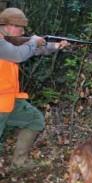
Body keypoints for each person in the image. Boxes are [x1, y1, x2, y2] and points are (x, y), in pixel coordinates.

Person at [0, 7, 70, 169]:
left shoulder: (9, 42)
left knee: (35, 120)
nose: (21, 30)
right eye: (18, 26)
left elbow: (33, 50)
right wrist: (33, 41)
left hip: (9, 101)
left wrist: (56, 46)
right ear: (5, 25)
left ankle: (19, 163)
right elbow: (19, 54)